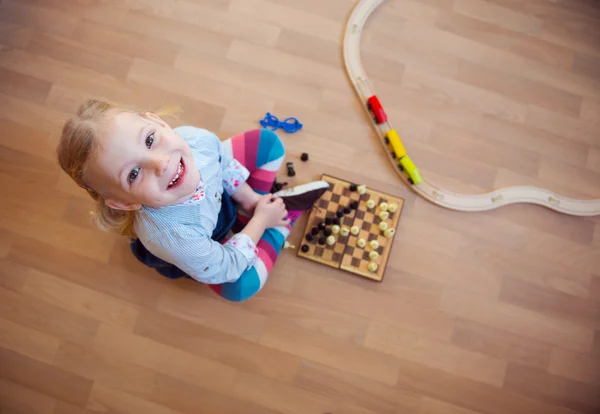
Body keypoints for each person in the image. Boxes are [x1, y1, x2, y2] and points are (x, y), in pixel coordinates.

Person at [56, 99, 328, 301]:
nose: (162, 162)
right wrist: (260, 221)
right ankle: (278, 223)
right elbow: (224, 268)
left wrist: (251, 199)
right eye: (134, 173)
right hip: (203, 240)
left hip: (220, 198)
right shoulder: (173, 237)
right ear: (125, 203)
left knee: (268, 143)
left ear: (158, 122)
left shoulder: (193, 141)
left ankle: (259, 212)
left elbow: (221, 162)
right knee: (240, 286)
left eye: (150, 139)